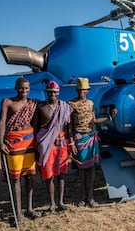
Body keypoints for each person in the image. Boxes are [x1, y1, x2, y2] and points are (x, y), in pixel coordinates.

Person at [68, 77, 117, 207]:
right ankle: (84, 197)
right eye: (80, 90)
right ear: (76, 90)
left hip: (91, 137)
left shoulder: (90, 104)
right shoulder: (71, 104)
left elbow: (94, 120)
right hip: (79, 138)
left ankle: (90, 197)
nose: (81, 92)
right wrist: (71, 141)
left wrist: (109, 117)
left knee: (91, 168)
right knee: (82, 168)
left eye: (84, 90)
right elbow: (69, 125)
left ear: (87, 91)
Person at [0, 77, 40, 222]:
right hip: (13, 143)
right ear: (16, 88)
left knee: (29, 175)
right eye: (22, 88)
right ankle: (18, 213)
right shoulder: (7, 102)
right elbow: (2, 122)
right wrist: (0, 143)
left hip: (29, 142)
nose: (24, 91)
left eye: (27, 88)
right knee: (15, 178)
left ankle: (29, 209)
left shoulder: (33, 103)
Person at [33, 81, 72, 214]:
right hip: (46, 145)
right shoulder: (41, 107)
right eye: (50, 92)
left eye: (55, 92)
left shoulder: (64, 107)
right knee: (49, 175)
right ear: (46, 92)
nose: (52, 94)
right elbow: (36, 128)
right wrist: (37, 147)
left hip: (61, 144)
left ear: (58, 93)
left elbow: (68, 127)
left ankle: (60, 202)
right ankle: (52, 204)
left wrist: (70, 142)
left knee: (61, 174)